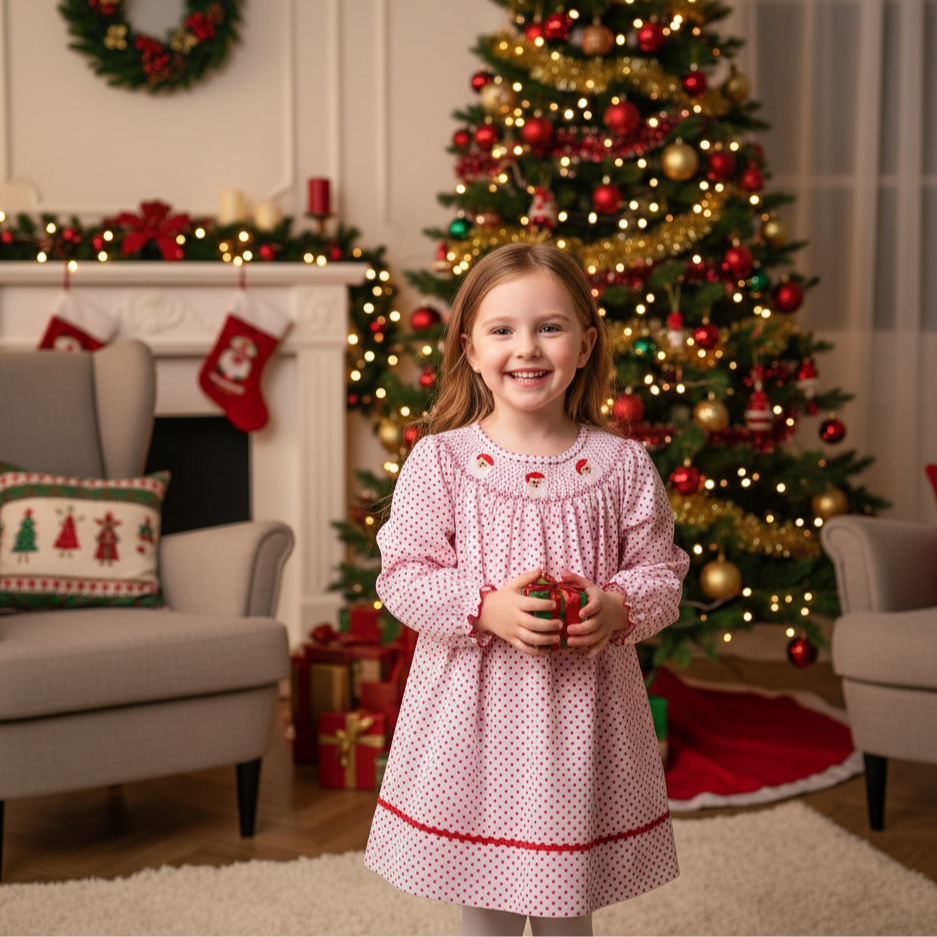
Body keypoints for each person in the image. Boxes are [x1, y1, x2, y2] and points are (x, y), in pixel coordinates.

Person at [365, 243, 689, 937]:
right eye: (502, 329)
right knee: (483, 904)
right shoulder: (440, 460)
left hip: (582, 721)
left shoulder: (622, 465)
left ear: (584, 342)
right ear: (469, 349)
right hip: (473, 724)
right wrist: (482, 606)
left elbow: (662, 575)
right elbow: (402, 574)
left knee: (567, 903)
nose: (527, 347)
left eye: (549, 326)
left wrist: (615, 606)